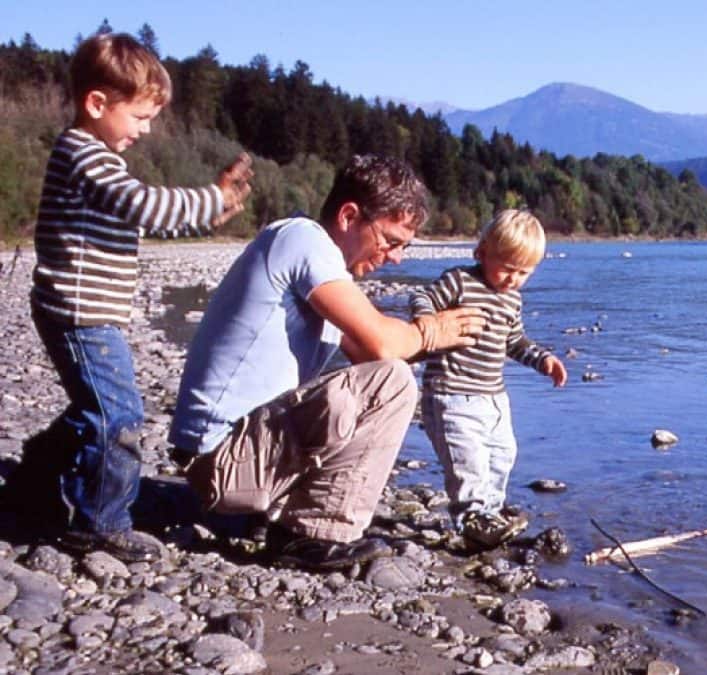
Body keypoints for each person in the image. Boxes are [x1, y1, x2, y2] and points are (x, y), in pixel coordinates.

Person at [168, 154, 485, 572]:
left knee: (378, 379)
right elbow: (384, 347)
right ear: (350, 216)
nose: (395, 258)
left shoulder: (320, 265)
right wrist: (431, 331)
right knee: (394, 381)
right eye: (391, 241)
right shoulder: (303, 241)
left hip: (222, 460)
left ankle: (293, 520)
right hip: (222, 464)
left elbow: (368, 351)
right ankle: (314, 534)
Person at [8, 32, 252, 562]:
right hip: (79, 314)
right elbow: (138, 204)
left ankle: (35, 475)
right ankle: (101, 523)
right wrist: (211, 197)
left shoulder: (93, 157)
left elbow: (136, 218)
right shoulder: (83, 154)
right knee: (120, 418)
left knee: (95, 407)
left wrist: (206, 214)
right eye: (141, 117)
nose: (146, 130)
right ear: (98, 103)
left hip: (86, 312)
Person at [410, 209, 568, 549]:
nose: (513, 279)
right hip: (451, 393)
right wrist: (428, 320)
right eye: (507, 268)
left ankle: (491, 513)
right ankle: (470, 518)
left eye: (523, 272)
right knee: (468, 461)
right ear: (481, 253)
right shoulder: (460, 281)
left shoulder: (512, 299)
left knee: (502, 455)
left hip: (494, 398)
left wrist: (544, 360)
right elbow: (421, 297)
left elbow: (515, 342)